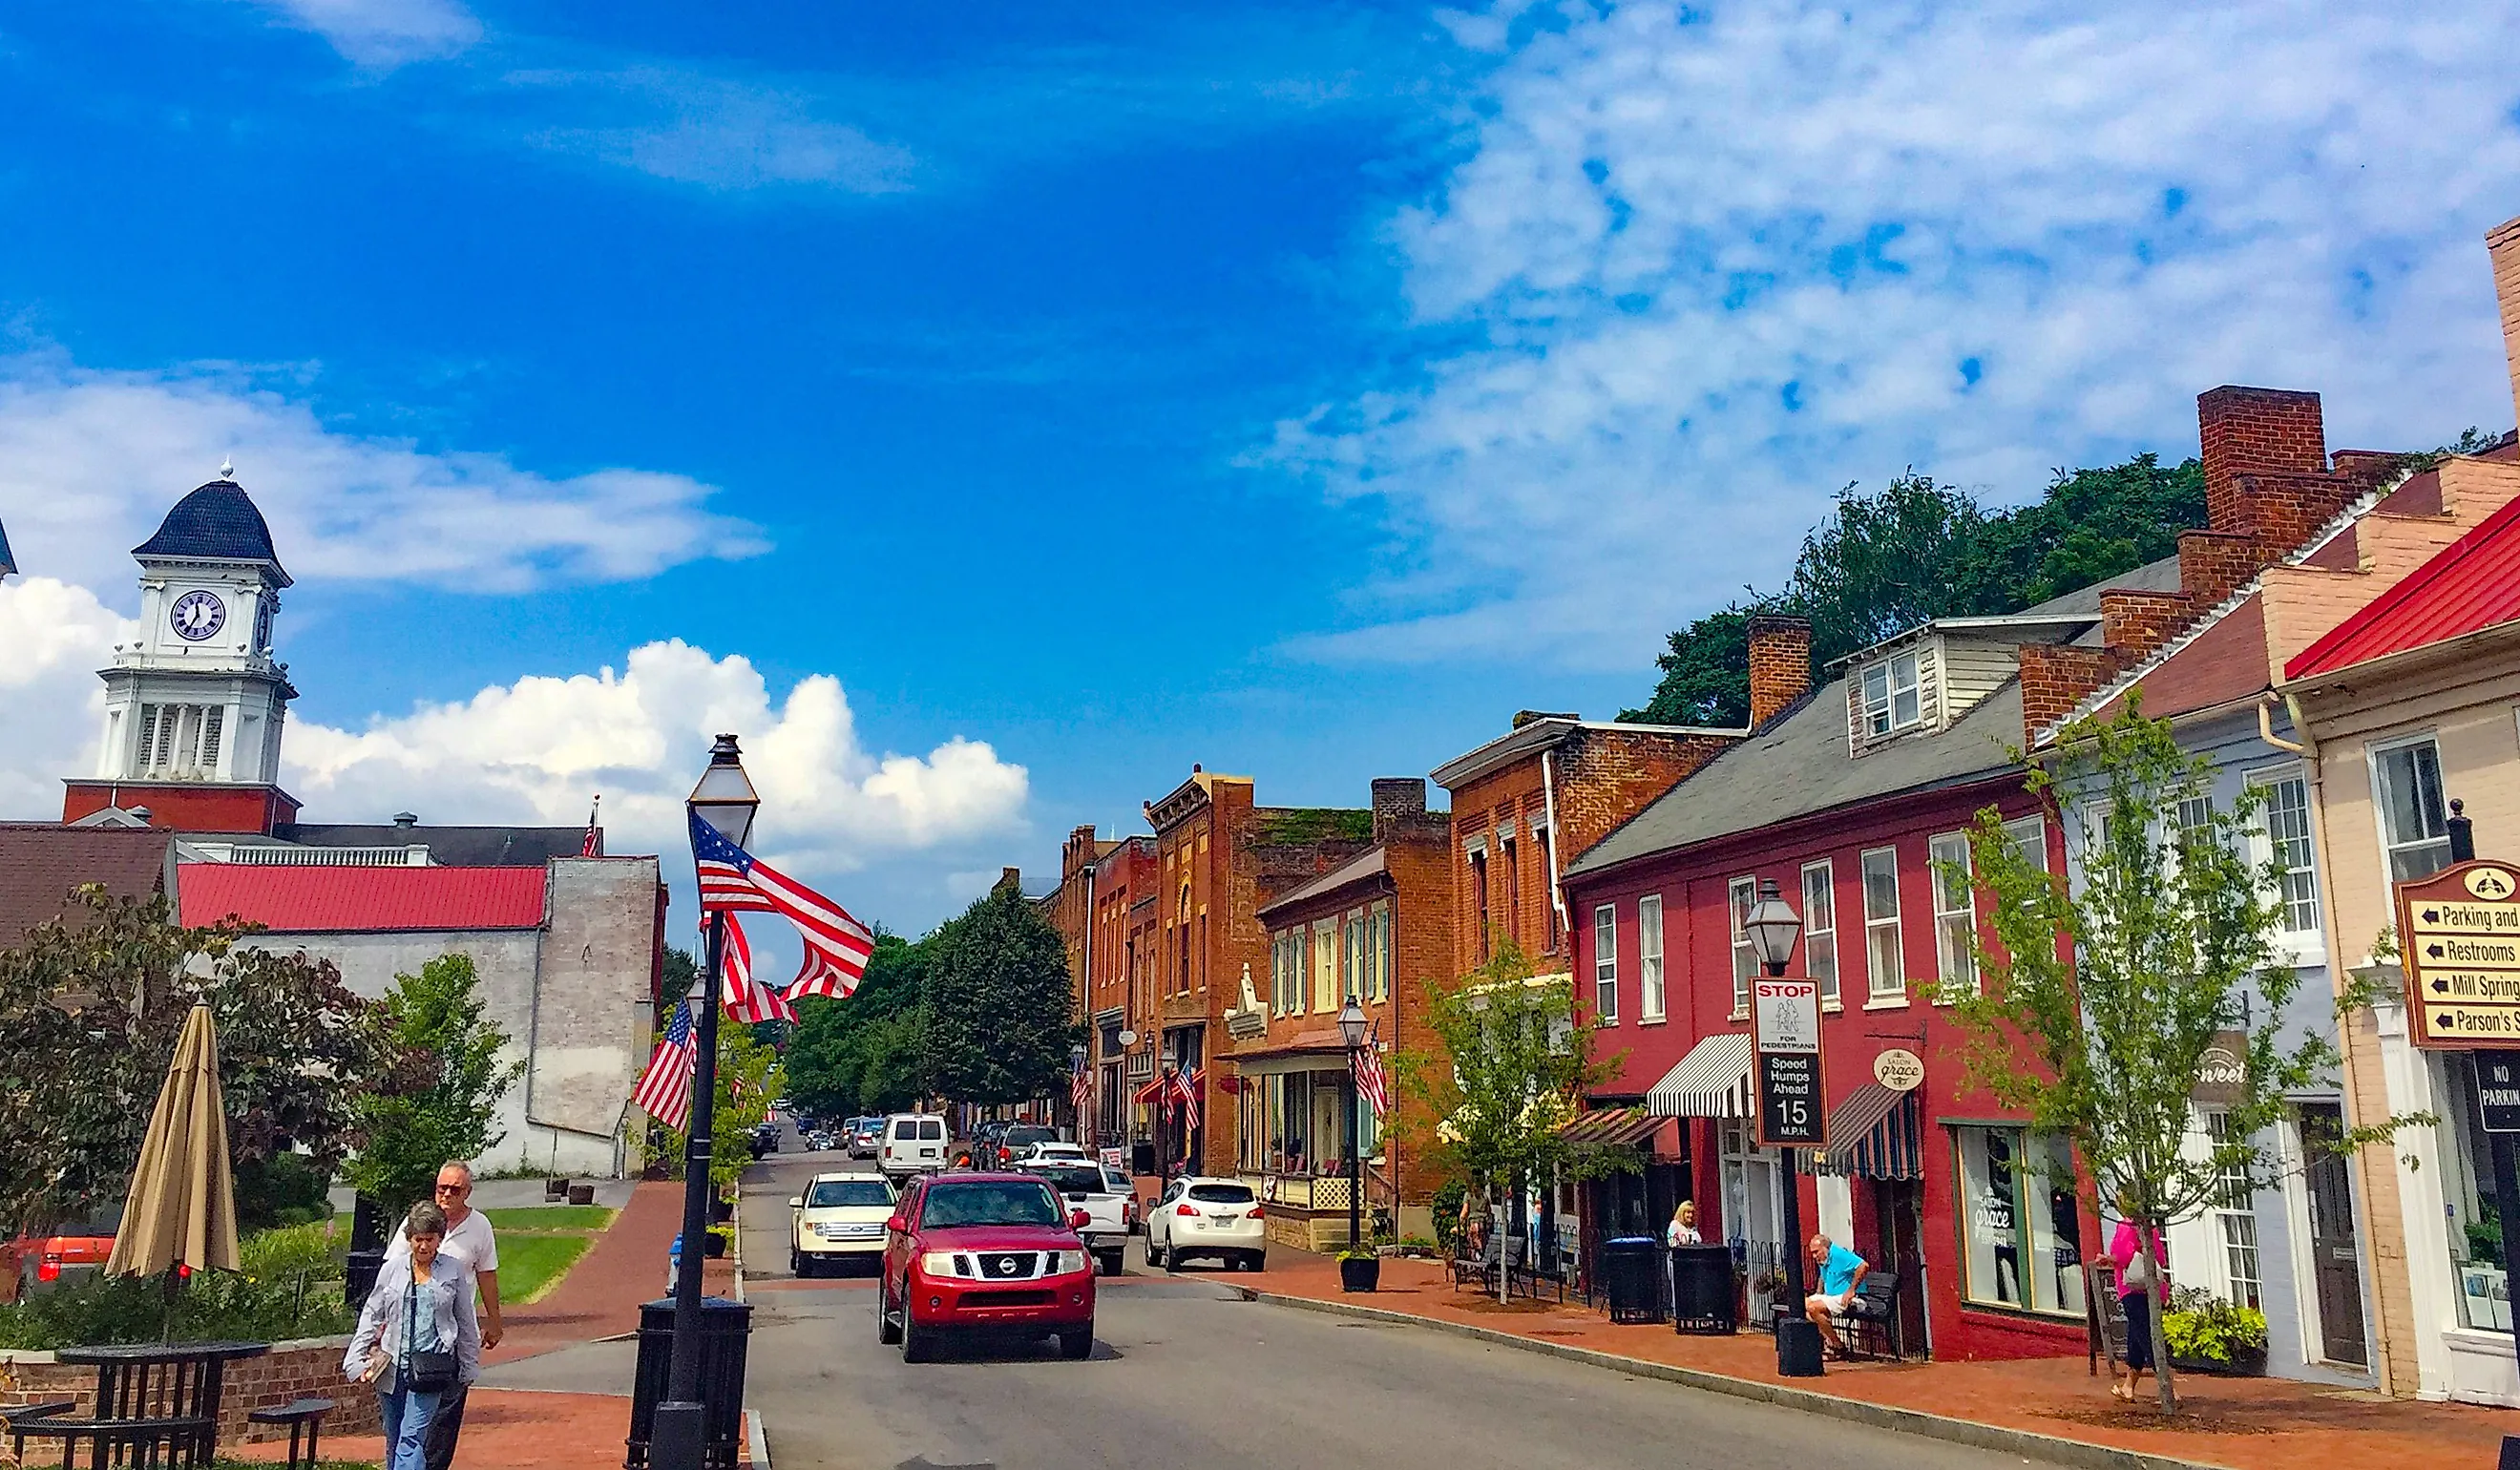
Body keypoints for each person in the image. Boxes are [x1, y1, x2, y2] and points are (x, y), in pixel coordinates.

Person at [380, 1162, 502, 1470]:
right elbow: (389, 1273)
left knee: (442, 1424)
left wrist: (494, 1321)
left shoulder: (479, 1227)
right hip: (408, 1342)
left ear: (467, 1192)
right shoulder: (417, 1221)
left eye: (454, 1189)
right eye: (441, 1188)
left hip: (451, 1341)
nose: (446, 1194)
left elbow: (487, 1275)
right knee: (403, 1429)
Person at [346, 1202, 483, 1470]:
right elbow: (372, 1314)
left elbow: (466, 1321)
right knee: (395, 1437)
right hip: (392, 1368)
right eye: (418, 1239)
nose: (423, 1246)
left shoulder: (452, 1270)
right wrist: (356, 1359)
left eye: (430, 1239)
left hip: (430, 1368)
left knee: (412, 1438)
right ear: (409, 1239)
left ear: (439, 1239)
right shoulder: (392, 1269)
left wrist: (468, 1365)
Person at [2110, 1194, 2167, 1402]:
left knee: (2146, 1337)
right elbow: (2160, 1259)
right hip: (2151, 1289)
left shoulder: (2126, 1226)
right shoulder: (2150, 1228)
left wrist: (2108, 1259)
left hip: (2131, 1288)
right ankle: (2128, 1387)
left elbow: (2123, 1256)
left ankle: (2168, 1389)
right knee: (2135, 1338)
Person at [1803, 1233, 1869, 1358]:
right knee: (1802, 1306)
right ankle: (1832, 1342)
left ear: (1825, 1247)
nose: (1814, 1256)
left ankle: (1837, 1345)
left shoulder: (1839, 1254)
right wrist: (1818, 1293)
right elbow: (1823, 1277)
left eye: (1816, 1252)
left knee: (1813, 1308)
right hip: (1831, 1296)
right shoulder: (1824, 1258)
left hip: (1849, 1297)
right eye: (1812, 1253)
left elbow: (1863, 1265)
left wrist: (1851, 1290)